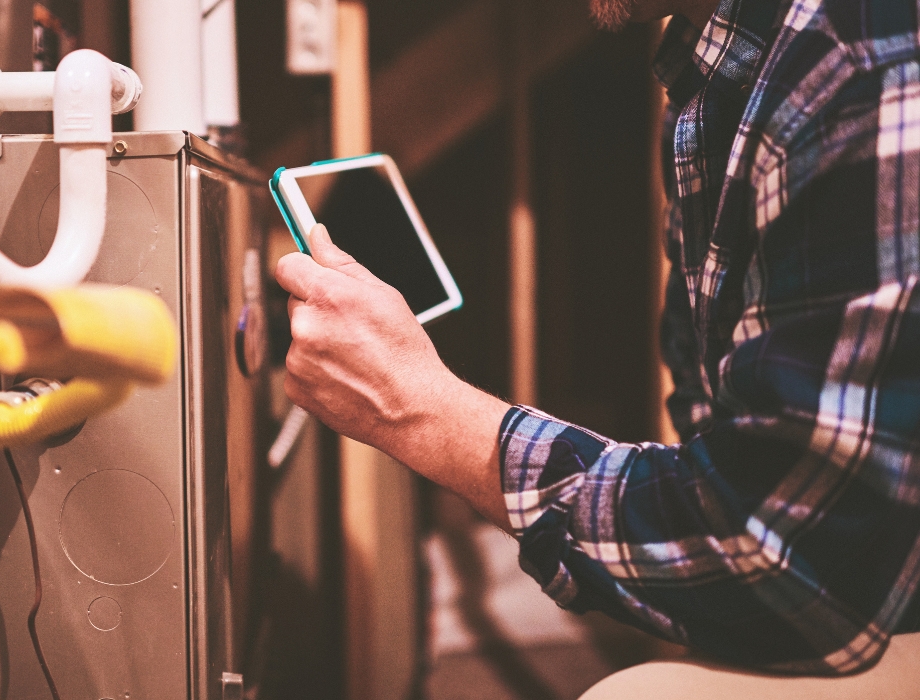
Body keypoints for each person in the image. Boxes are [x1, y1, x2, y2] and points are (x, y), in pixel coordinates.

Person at [274, 0, 920, 691]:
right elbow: (717, 436)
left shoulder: (862, 70)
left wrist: (423, 411)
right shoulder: (713, 68)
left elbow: (790, 554)